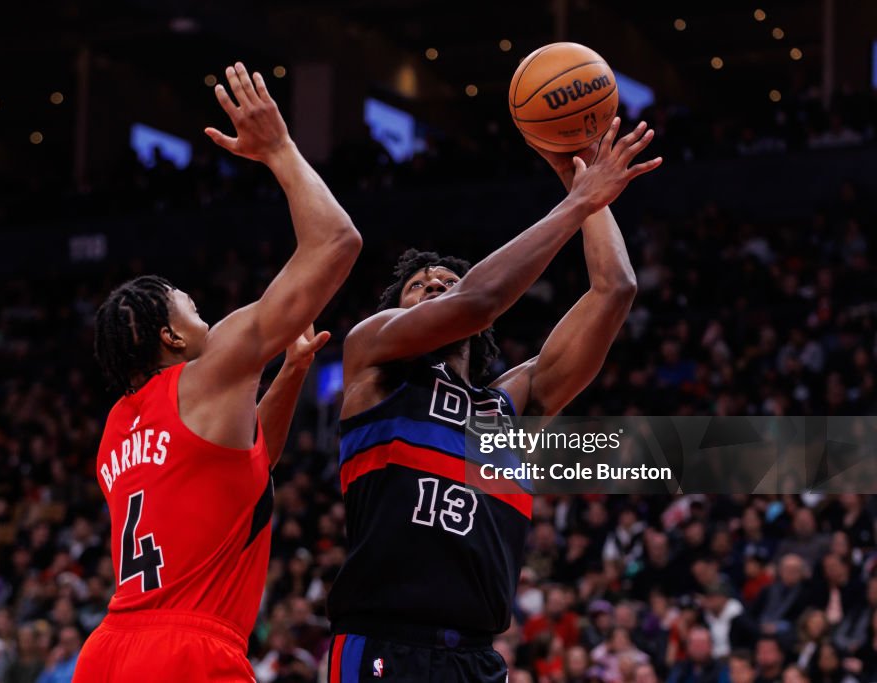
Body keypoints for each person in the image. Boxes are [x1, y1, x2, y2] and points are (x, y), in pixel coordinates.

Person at [326, 118, 660, 681]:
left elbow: (615, 290)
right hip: (385, 643)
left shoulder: (508, 406)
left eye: (446, 283)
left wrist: (583, 186)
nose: (435, 284)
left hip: (478, 657)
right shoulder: (374, 360)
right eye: (420, 287)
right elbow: (481, 297)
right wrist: (575, 204)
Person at [72, 61, 362, 682]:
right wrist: (281, 149)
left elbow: (242, 471)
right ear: (172, 336)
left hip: (108, 650)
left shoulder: (116, 432)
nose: (205, 311)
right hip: (189, 650)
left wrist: (289, 375)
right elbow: (337, 242)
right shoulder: (211, 370)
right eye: (191, 306)